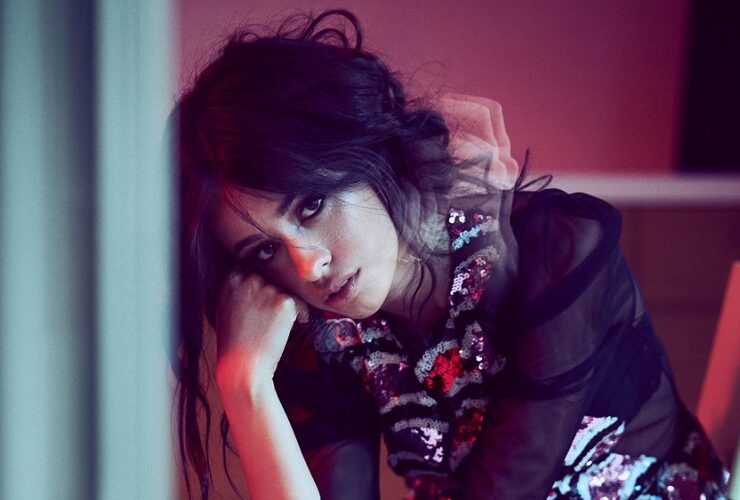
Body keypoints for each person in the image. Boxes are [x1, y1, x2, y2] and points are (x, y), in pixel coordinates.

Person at [173, 10, 729, 499]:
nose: (306, 266)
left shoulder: (553, 251)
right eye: (265, 248)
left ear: (367, 156)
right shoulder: (329, 336)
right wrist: (245, 386)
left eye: (312, 205)